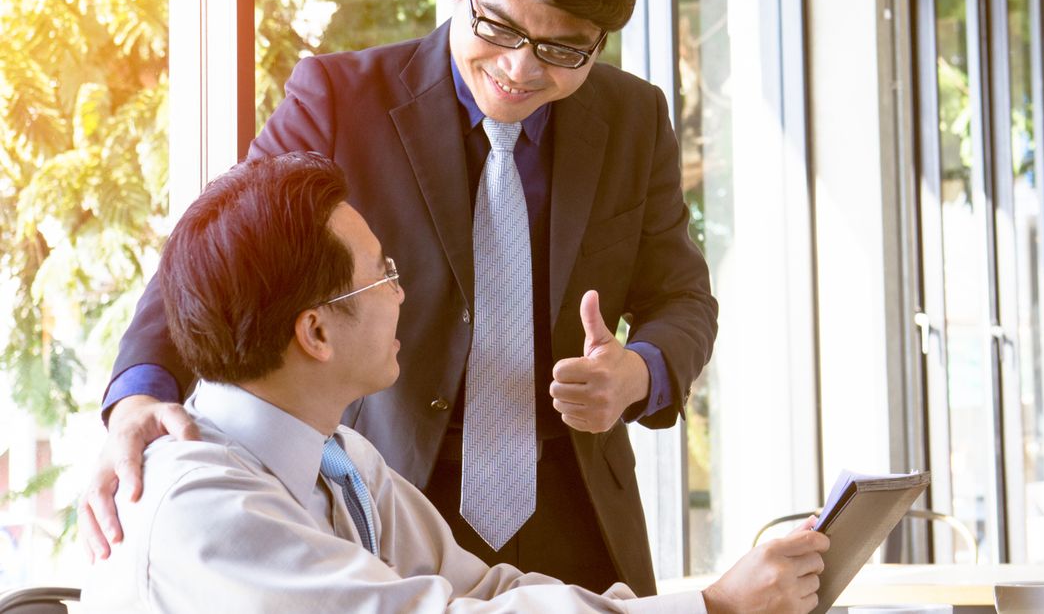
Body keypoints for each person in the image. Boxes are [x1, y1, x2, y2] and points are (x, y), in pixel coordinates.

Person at [81, 0, 718, 595]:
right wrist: (139, 395)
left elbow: (683, 298)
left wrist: (640, 370)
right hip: (388, 504)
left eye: (563, 49)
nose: (520, 69)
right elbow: (224, 249)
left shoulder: (633, 119)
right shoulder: (338, 98)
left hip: (576, 510)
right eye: (499, 27)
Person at [79, 152, 826, 613]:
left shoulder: (344, 462)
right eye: (384, 275)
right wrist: (718, 607)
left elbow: (483, 591)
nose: (403, 294)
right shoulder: (205, 509)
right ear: (315, 331)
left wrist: (702, 605)